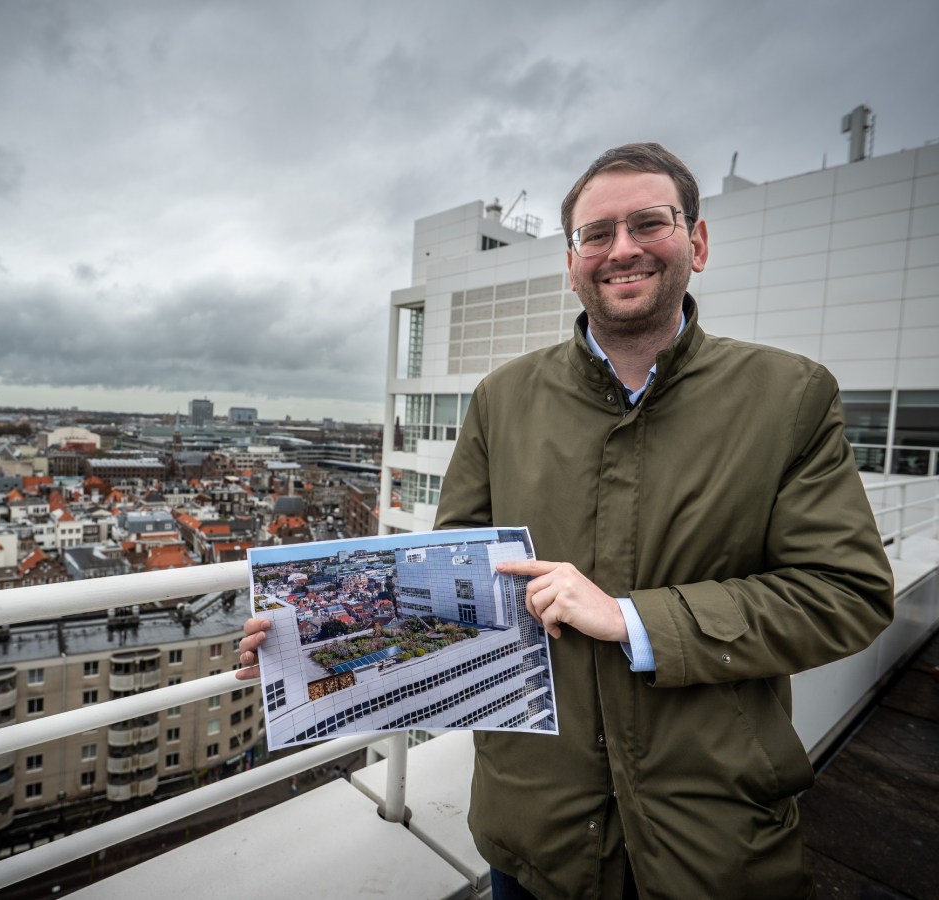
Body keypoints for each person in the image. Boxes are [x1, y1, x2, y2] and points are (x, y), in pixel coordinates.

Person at [239, 143, 894, 899]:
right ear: (573, 259)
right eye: (596, 233)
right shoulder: (503, 399)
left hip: (714, 841)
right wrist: (313, 642)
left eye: (649, 223)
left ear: (698, 243)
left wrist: (632, 620)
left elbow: (845, 594)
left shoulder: (790, 397)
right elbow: (448, 589)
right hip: (535, 834)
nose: (622, 249)